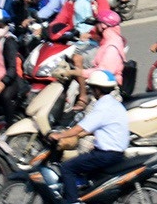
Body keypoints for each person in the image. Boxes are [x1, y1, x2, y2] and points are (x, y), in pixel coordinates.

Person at [53, 69, 131, 203]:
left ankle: (72, 201)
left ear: (97, 90)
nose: (91, 91)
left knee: (67, 168)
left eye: (92, 88)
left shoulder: (102, 107)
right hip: (117, 153)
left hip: (105, 155)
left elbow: (78, 128)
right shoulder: (115, 104)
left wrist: (59, 135)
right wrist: (81, 134)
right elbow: (100, 128)